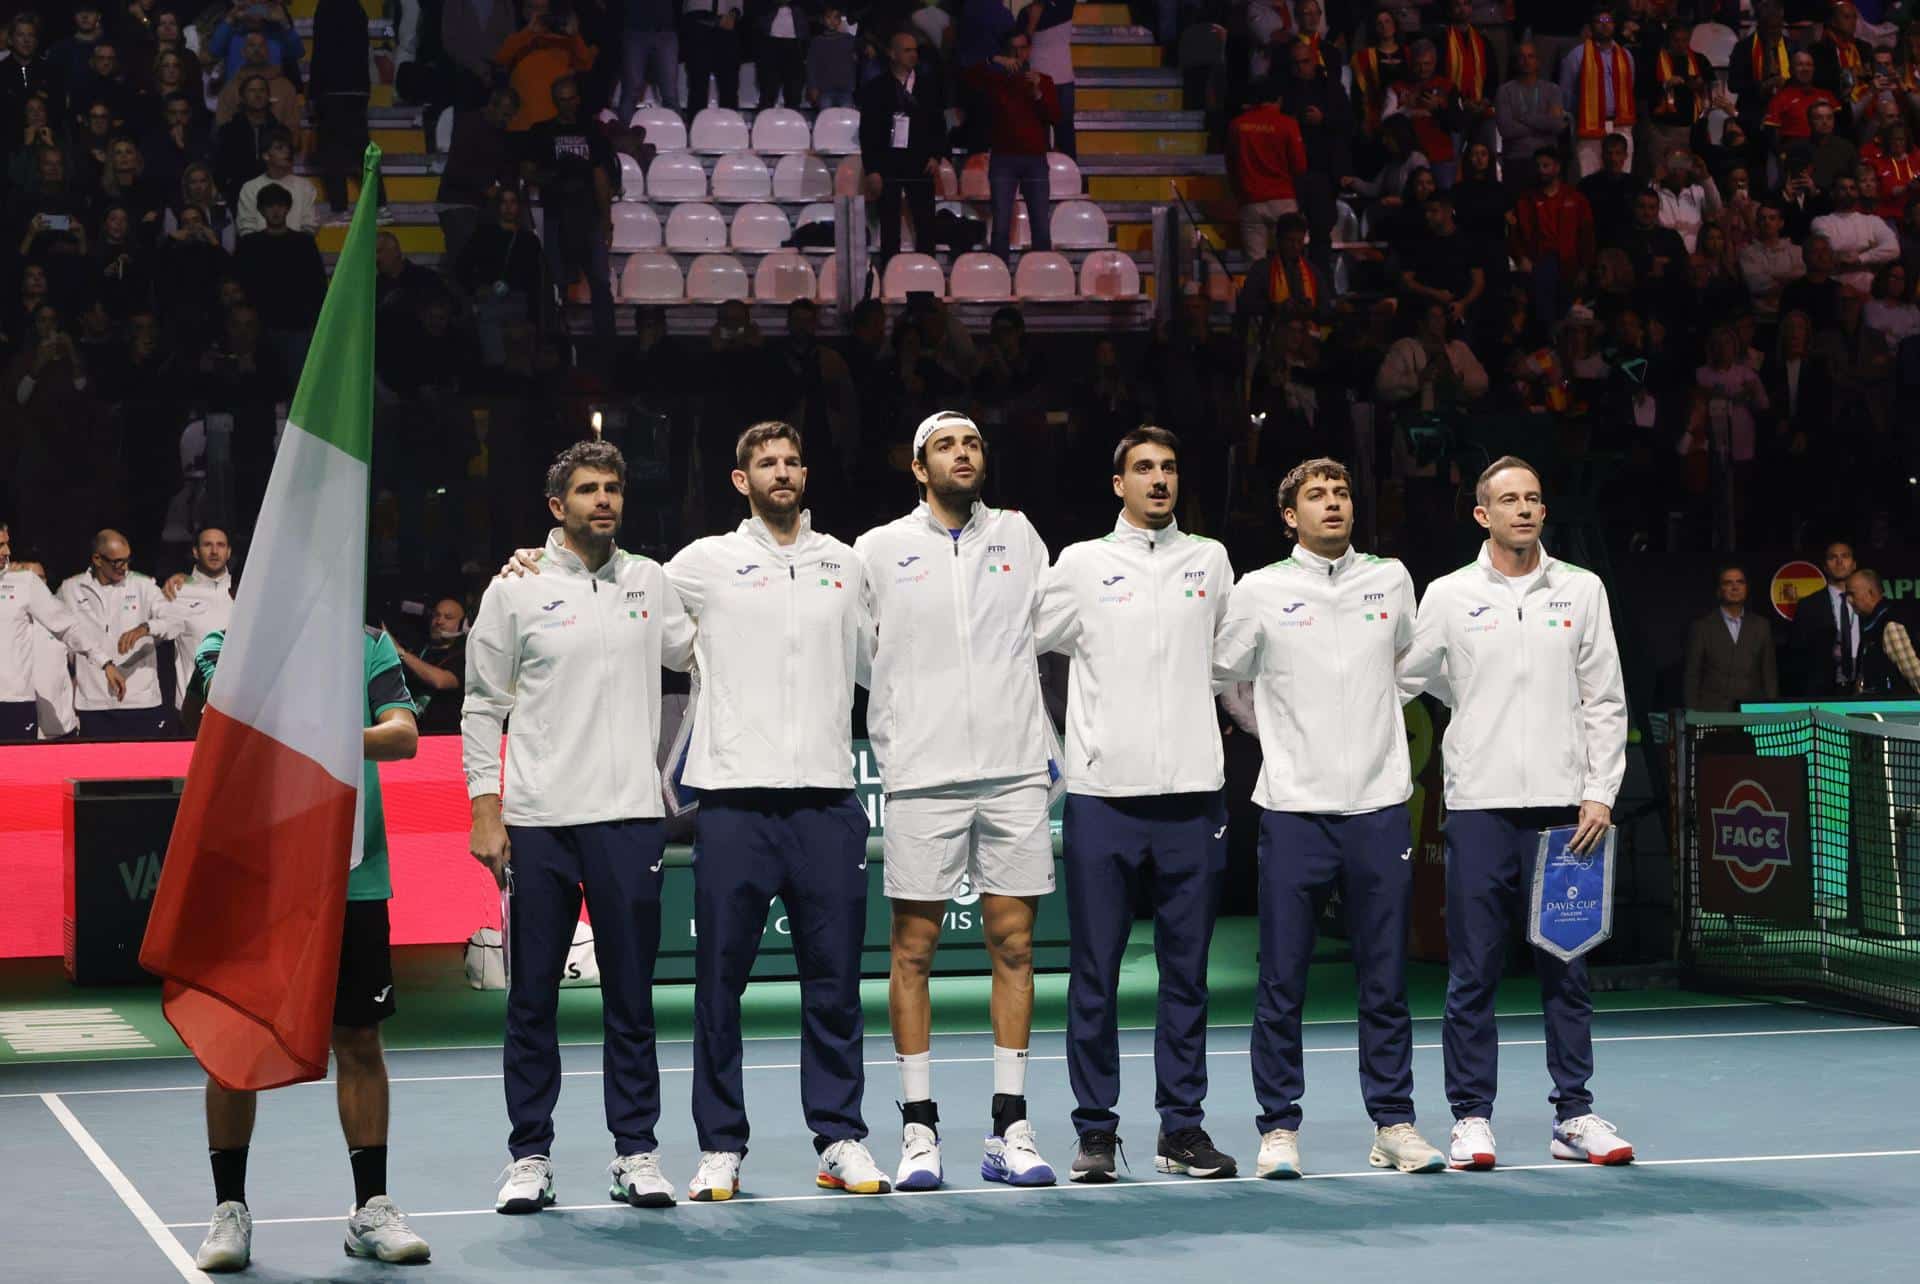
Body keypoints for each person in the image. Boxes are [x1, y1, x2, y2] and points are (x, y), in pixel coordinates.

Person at [464, 439, 696, 1216]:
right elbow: (481, 704)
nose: (605, 500)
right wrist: (484, 804)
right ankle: (529, 1155)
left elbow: (701, 650)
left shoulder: (649, 581)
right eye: (589, 490)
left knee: (632, 999)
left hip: (630, 818)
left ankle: (637, 1152)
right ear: (557, 507)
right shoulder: (516, 589)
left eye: (614, 489)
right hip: (539, 822)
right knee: (531, 999)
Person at [665, 422, 889, 1200]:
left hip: (827, 805)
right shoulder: (703, 564)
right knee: (719, 986)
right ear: (741, 480)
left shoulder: (845, 562)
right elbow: (626, 600)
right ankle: (720, 1145)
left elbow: (880, 661)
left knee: (834, 984)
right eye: (767, 462)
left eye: (793, 460)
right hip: (733, 806)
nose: (783, 472)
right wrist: (538, 562)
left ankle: (839, 1138)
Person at [1213, 456, 1448, 1180]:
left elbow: (1412, 663)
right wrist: (1274, 735)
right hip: (1292, 813)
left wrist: (1375, 714)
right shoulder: (1259, 589)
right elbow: (1224, 675)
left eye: (1342, 492)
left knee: (1384, 979)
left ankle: (1394, 1124)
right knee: (1282, 980)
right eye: (1316, 495)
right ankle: (1279, 1128)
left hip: (1379, 808)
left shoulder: (1392, 577)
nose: (1333, 504)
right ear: (1290, 517)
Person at [1400, 456, 1633, 1172]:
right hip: (1479, 807)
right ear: (1483, 514)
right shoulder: (1447, 595)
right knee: (1474, 967)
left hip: (1568, 812)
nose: (1524, 510)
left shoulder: (1582, 590)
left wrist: (1600, 790)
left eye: (1533, 498)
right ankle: (1472, 1116)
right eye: (1509, 500)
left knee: (1568, 965)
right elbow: (1409, 676)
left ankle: (1575, 1115)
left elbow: (1604, 698)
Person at [184, 622, 432, 1272]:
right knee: (237, 1040)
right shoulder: (231, 640)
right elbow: (231, 722)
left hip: (351, 871)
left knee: (358, 1040)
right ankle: (229, 1212)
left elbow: (402, 734)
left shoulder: (367, 641)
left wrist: (327, 745)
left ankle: (371, 1208)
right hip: (257, 873)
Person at [854, 410, 1058, 1192]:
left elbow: (1053, 619)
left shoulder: (1020, 535)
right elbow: (853, 648)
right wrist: (911, 712)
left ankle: (1010, 1126)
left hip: (1011, 770)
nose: (963, 454)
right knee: (913, 950)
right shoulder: (878, 549)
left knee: (1014, 944)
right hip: (922, 774)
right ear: (918, 466)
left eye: (973, 442)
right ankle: (918, 1129)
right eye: (945, 445)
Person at [1032, 426, 1238, 1184]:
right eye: (1144, 469)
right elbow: (1021, 640)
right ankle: (1095, 1133)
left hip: (1192, 799)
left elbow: (1231, 662)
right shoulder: (1082, 564)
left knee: (1187, 976)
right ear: (1117, 483)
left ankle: (1181, 1130)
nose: (1159, 480)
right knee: (1096, 973)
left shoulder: (1209, 560)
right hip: (1102, 798)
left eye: (1170, 468)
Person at [522, 76, 614, 364]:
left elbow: (601, 177)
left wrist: (606, 220)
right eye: (562, 99)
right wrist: (556, 175)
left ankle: (607, 347)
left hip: (588, 218)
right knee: (556, 284)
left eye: (572, 97)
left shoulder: (592, 131)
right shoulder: (542, 132)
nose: (568, 104)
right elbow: (527, 170)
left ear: (578, 98)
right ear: (555, 101)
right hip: (556, 217)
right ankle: (556, 347)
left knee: (600, 282)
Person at [0, 520, 119, 742]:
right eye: (0, 545)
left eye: (7, 544)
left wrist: (104, 661)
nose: (7, 552)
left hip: (13, 703)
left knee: (16, 775)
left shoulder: (23, 583)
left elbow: (67, 626)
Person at [56, 528, 175, 738]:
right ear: (97, 559)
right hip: (92, 702)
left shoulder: (143, 585)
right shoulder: (71, 588)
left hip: (140, 701)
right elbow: (55, 631)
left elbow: (174, 623)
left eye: (128, 560)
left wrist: (145, 628)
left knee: (143, 770)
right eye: (118, 562)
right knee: (96, 770)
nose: (125, 567)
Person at [965, 27, 1058, 264]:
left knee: (1040, 223)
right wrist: (993, 59)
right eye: (1013, 50)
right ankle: (1000, 277)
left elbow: (1054, 117)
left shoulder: (1044, 81)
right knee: (1001, 223)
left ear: (1029, 50)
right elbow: (968, 75)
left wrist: (1037, 92)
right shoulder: (996, 80)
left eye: (1022, 49)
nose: (1018, 54)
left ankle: (1042, 274)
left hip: (1035, 159)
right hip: (1003, 158)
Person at [857, 28, 944, 265]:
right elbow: (868, 132)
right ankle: (890, 277)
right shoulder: (876, 88)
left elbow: (939, 125)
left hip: (921, 162)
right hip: (888, 163)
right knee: (889, 226)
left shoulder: (927, 86)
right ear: (892, 54)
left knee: (926, 224)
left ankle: (927, 278)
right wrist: (872, 169)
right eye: (907, 50)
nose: (913, 55)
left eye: (915, 50)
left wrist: (936, 156)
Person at [1228, 78, 1307, 264]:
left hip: (1250, 200)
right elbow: (1300, 166)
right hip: (1283, 200)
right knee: (1291, 261)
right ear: (1279, 99)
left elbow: (1231, 165)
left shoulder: (1237, 125)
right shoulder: (1287, 124)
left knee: (1255, 266)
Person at [156, 526, 234, 712]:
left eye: (220, 545)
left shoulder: (247, 590)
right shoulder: (176, 592)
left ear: (229, 552)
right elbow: (154, 637)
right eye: (207, 545)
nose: (214, 551)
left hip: (237, 713)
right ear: (195, 552)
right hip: (193, 710)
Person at [1684, 564, 1779, 712]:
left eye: (1740, 582)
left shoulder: (1762, 626)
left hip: (1751, 711)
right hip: (1713, 712)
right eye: (1728, 583)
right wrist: (1692, 714)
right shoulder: (1702, 627)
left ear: (1746, 588)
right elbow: (1692, 676)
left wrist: (1771, 711)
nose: (1735, 587)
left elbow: (1769, 675)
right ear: (1718, 591)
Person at [1560, 5, 1636, 177]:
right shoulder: (1576, 56)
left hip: (1620, 125)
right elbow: (1566, 96)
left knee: (1622, 178)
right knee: (1589, 178)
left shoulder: (1626, 56)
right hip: (1589, 126)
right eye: (1599, 21)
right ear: (1591, 26)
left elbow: (1630, 87)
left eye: (1608, 20)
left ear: (1615, 25)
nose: (1604, 25)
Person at [1787, 539, 1862, 697]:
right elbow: (1797, 655)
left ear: (1854, 564)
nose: (1839, 561)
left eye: (1845, 556)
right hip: (1822, 690)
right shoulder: (1808, 605)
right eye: (1833, 557)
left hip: (1864, 686)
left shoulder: (1867, 602)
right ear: (1825, 566)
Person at [1496, 42, 1567, 191]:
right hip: (1516, 159)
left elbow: (1557, 125)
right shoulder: (1505, 91)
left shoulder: (1552, 90)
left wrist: (1523, 118)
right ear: (1515, 62)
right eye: (1521, 57)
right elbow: (1506, 130)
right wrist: (1542, 124)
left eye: (1531, 56)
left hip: (1547, 159)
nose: (1526, 61)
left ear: (1538, 61)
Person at [393, 597, 465, 734]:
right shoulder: (419, 648)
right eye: (436, 615)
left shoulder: (464, 655)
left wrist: (400, 652)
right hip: (411, 731)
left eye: (448, 617)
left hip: (442, 737)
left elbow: (441, 681)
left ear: (463, 624)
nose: (439, 621)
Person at [1845, 568, 1920, 696]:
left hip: (1895, 711)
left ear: (1871, 593)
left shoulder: (1890, 624)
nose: (1849, 600)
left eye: (1852, 594)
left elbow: (1915, 674)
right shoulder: (1873, 624)